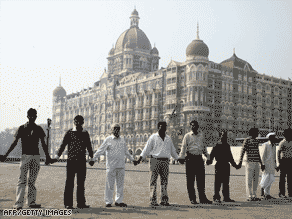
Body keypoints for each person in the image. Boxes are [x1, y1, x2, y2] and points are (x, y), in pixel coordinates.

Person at [0, 108, 52, 210]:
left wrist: (47, 157)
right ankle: (19, 203)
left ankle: (29, 202)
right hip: (26, 156)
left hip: (34, 156)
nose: (33, 117)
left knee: (30, 181)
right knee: (23, 180)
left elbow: (43, 144)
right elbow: (14, 143)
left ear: (36, 116)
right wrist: (5, 155)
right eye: (31, 115)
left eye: (34, 115)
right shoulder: (23, 128)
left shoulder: (35, 129)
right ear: (27, 116)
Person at [53, 115, 94, 209]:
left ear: (83, 122)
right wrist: (57, 156)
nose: (78, 123)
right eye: (76, 121)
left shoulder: (85, 133)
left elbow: (89, 147)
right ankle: (68, 204)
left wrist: (92, 158)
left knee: (80, 183)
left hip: (81, 162)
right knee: (70, 183)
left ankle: (80, 203)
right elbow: (63, 145)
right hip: (71, 161)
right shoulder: (69, 133)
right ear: (74, 122)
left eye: (79, 121)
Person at [135, 121, 179, 207]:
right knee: (153, 181)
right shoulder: (153, 137)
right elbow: (146, 149)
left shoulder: (168, 138)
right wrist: (139, 159)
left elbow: (173, 151)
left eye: (165, 127)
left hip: (165, 161)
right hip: (154, 160)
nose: (163, 128)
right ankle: (153, 200)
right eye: (162, 126)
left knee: (164, 181)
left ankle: (164, 200)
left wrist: (178, 159)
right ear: (158, 127)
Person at [91, 124, 134, 208]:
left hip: (121, 166)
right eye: (115, 129)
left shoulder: (122, 140)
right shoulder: (108, 139)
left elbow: (126, 152)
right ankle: (108, 201)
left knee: (120, 185)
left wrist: (132, 160)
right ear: (111, 130)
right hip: (111, 166)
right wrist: (93, 159)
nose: (116, 130)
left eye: (118, 129)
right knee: (109, 185)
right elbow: (100, 150)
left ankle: (118, 201)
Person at [178, 120, 212, 205]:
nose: (193, 127)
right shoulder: (187, 136)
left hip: (199, 159)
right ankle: (193, 199)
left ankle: (202, 198)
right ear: (190, 127)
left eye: (195, 125)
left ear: (198, 126)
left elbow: (204, 149)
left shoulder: (201, 136)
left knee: (201, 180)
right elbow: (183, 148)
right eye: (192, 125)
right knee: (190, 180)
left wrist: (208, 157)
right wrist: (181, 158)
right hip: (190, 159)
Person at [207, 131, 239, 203]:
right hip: (220, 165)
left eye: (225, 135)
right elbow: (212, 155)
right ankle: (217, 197)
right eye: (222, 135)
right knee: (218, 182)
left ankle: (225, 197)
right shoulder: (217, 145)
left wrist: (235, 165)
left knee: (225, 182)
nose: (224, 137)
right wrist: (209, 161)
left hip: (225, 165)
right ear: (220, 136)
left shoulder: (226, 145)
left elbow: (230, 157)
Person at [238, 128, 264, 201]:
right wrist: (240, 161)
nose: (257, 134)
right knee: (249, 179)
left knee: (255, 179)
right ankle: (249, 195)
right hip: (249, 162)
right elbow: (243, 151)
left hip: (256, 162)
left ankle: (254, 195)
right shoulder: (247, 140)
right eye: (257, 132)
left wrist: (261, 163)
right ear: (253, 133)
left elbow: (257, 152)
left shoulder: (256, 141)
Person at [259, 133, 278, 200]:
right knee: (265, 179)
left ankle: (267, 194)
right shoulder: (265, 145)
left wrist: (276, 166)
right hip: (266, 165)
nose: (275, 138)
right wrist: (262, 164)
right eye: (273, 137)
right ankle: (262, 193)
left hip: (272, 165)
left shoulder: (274, 145)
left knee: (270, 179)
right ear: (270, 138)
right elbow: (262, 156)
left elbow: (274, 157)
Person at [277, 128, 292, 198]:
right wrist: (279, 162)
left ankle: (290, 193)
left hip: (290, 161)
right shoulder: (282, 142)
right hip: (284, 161)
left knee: (290, 178)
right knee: (282, 178)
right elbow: (278, 152)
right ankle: (282, 193)